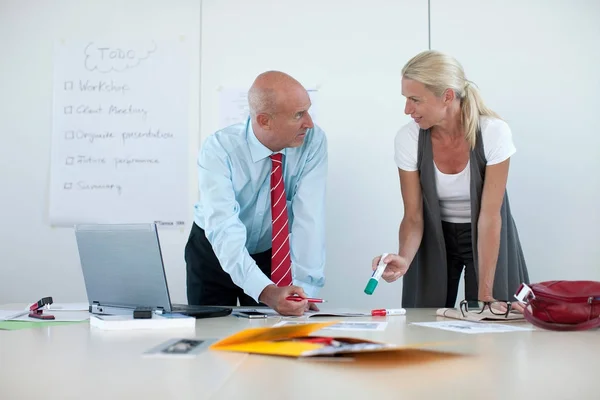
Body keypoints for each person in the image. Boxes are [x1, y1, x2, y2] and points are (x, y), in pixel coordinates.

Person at [372, 50, 529, 311]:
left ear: (446, 96)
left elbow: (490, 217)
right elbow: (413, 216)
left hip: (487, 234)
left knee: (491, 317)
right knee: (422, 321)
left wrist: (487, 294)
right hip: (435, 234)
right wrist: (404, 259)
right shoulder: (409, 139)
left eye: (415, 100)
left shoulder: (492, 133)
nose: (406, 109)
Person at [185, 71, 327, 316]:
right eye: (298, 115)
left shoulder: (312, 141)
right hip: (214, 250)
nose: (309, 123)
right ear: (264, 121)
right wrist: (265, 291)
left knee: (273, 332)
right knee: (210, 332)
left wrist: (304, 289)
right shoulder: (219, 149)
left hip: (269, 250)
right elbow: (224, 227)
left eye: (308, 111)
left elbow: (309, 218)